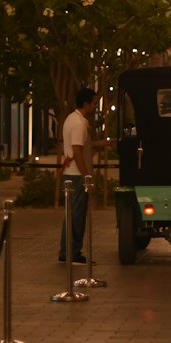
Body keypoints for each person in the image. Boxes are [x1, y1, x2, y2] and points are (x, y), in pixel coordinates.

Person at [57, 85, 96, 263]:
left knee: (71, 214)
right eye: (94, 103)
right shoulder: (79, 123)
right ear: (86, 104)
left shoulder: (71, 119)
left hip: (69, 174)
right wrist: (86, 176)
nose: (95, 107)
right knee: (77, 215)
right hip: (75, 175)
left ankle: (68, 251)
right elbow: (77, 152)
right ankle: (72, 253)